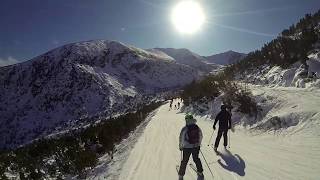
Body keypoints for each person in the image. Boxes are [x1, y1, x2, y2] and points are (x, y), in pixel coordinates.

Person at [178, 114, 204, 180]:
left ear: (186, 120)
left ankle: (181, 175)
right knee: (196, 159)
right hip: (196, 146)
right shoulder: (197, 127)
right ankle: (200, 171)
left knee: (185, 160)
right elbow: (201, 136)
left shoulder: (185, 128)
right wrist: (199, 144)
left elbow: (181, 138)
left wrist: (181, 146)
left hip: (187, 148)